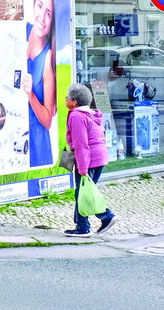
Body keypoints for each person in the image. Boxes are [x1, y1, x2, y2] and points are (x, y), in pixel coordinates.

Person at [64, 83, 117, 237]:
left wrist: (82, 168)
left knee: (84, 193)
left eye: (67, 98)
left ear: (74, 102)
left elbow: (81, 144)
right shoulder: (90, 114)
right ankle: (82, 225)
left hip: (89, 159)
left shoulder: (77, 116)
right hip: (99, 157)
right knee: (83, 192)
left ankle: (106, 217)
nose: (65, 100)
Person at [20, 0, 56, 167]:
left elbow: (48, 120)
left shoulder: (47, 57)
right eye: (39, 6)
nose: (41, 16)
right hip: (12, 136)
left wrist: (31, 94)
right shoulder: (19, 32)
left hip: (37, 146)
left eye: (48, 14)